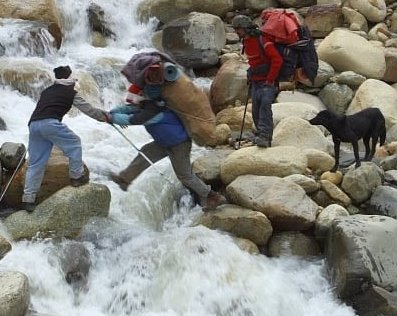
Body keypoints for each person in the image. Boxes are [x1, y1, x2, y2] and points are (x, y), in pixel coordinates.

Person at [109, 65, 226, 211]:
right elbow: (129, 109)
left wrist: (112, 118)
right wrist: (112, 113)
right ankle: (125, 179)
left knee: (185, 175)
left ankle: (212, 196)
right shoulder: (149, 104)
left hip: (179, 144)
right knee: (145, 153)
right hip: (165, 142)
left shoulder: (153, 111)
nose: (131, 102)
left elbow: (135, 119)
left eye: (133, 99)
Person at [22, 65, 109, 212]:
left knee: (36, 164)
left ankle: (28, 199)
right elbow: (89, 110)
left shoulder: (47, 91)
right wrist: (106, 117)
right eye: (72, 75)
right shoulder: (70, 92)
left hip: (33, 125)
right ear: (68, 77)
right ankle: (76, 177)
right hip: (49, 123)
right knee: (75, 143)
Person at [233, 14, 282, 148]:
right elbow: (254, 61)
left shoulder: (263, 40)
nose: (236, 32)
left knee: (265, 105)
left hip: (267, 81)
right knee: (255, 109)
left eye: (238, 29)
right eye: (235, 29)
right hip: (256, 80)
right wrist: (250, 72)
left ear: (245, 28)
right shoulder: (246, 41)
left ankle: (266, 137)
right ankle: (260, 134)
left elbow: (277, 60)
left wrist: (271, 80)